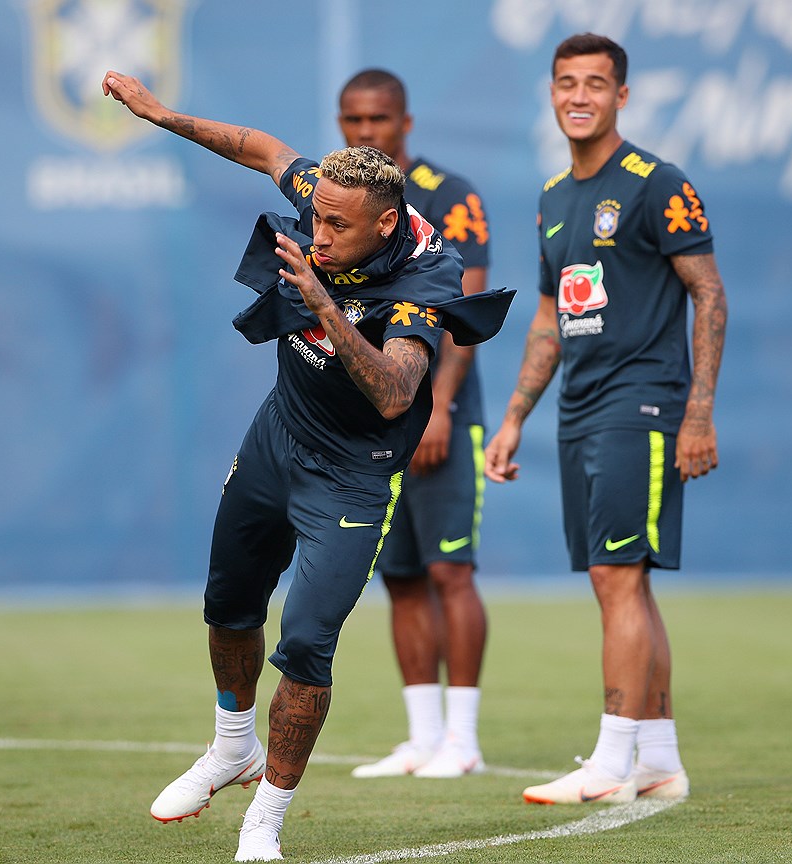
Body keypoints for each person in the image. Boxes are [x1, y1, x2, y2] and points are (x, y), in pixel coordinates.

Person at [101, 71, 511, 861]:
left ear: (386, 222)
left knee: (309, 642)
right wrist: (159, 114)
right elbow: (260, 149)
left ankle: (266, 822)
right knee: (227, 605)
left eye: (335, 228)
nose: (316, 236)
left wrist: (326, 307)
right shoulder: (329, 194)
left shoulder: (427, 274)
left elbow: (395, 392)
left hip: (353, 473)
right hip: (276, 437)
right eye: (313, 217)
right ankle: (230, 746)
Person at [484, 33, 728, 805]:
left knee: (616, 576)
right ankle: (658, 757)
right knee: (624, 584)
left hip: (644, 404)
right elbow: (552, 314)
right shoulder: (554, 198)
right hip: (577, 410)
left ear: (621, 95)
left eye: (595, 83)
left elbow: (710, 294)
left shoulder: (657, 183)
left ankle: (611, 758)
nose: (578, 96)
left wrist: (696, 415)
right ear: (551, 94)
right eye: (565, 83)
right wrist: (515, 415)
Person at [335, 69, 491, 781]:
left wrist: (442, 409)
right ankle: (422, 736)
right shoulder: (336, 199)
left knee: (449, 570)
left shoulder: (449, 195)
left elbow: (464, 315)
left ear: (405, 122)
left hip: (438, 417)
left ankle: (462, 739)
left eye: (379, 119)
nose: (366, 132)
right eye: (353, 120)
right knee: (398, 577)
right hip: (374, 425)